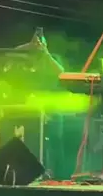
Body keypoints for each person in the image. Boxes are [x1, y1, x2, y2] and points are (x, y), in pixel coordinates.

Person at [15, 30, 67, 179]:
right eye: (35, 42)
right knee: (31, 138)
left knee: (54, 138)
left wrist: (45, 52)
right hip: (32, 108)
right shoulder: (26, 59)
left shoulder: (52, 58)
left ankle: (55, 172)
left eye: (40, 42)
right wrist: (28, 46)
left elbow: (61, 72)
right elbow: (12, 53)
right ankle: (33, 170)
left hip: (52, 106)